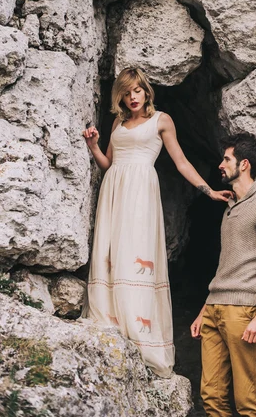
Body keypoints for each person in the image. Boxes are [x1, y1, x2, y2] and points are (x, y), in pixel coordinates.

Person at [82, 67, 232, 378]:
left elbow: (181, 162)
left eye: (137, 90)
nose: (132, 96)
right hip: (114, 188)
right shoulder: (118, 122)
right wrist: (94, 145)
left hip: (140, 191)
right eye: (126, 92)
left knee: (133, 251)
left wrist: (209, 191)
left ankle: (138, 333)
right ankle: (110, 320)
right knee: (111, 250)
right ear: (120, 96)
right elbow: (108, 162)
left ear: (146, 91)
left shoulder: (161, 120)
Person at [191, 132, 256, 417]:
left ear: (244, 164)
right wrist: (203, 311)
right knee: (211, 395)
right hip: (214, 310)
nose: (220, 164)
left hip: (243, 314)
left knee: (246, 399)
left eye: (226, 159)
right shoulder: (230, 208)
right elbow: (226, 266)